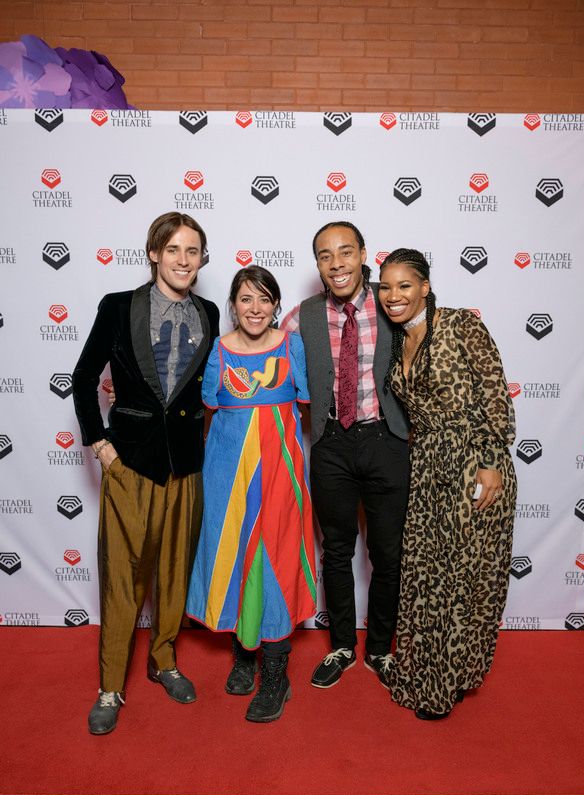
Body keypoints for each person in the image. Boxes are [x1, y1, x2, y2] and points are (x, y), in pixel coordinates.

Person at [72, 212, 219, 735]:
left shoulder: (209, 311)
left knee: (174, 570)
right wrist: (100, 444)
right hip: (130, 462)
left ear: (203, 259)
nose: (184, 260)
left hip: (185, 465)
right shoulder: (118, 307)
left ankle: (164, 660)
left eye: (193, 251)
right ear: (154, 253)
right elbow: (84, 377)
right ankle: (111, 684)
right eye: (174, 249)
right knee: (123, 577)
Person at [377, 248, 517, 719]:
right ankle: (422, 669)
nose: (393, 296)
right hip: (429, 464)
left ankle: (447, 682)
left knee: (461, 579)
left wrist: (492, 461)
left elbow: (494, 394)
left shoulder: (460, 326)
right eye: (386, 287)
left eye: (404, 286)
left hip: (472, 464)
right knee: (424, 575)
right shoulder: (399, 339)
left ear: (425, 287)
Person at [282, 222, 410, 689]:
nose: (336, 263)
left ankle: (379, 649)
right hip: (331, 442)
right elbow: (269, 363)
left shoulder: (393, 302)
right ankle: (341, 646)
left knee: (388, 553)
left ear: (363, 255)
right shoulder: (301, 316)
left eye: (345, 252)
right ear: (317, 264)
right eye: (325, 255)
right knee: (335, 551)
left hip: (387, 441)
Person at [186, 265, 316, 723]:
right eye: (245, 299)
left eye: (264, 299)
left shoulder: (290, 344)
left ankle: (276, 675)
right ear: (233, 305)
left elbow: (302, 403)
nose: (255, 308)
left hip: (280, 470)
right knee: (237, 556)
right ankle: (244, 654)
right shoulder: (219, 350)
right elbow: (210, 409)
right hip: (227, 472)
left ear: (276, 305)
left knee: (274, 557)